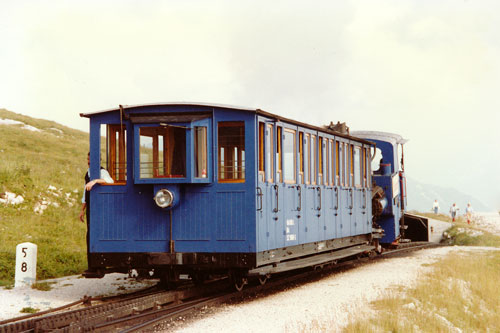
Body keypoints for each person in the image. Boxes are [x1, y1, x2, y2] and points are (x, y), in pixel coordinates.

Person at [79, 152, 113, 274]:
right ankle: (92, 265)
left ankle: (99, 265)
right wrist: (82, 210)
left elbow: (110, 181)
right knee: (90, 235)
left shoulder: (102, 172)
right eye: (87, 159)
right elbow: (85, 193)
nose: (88, 162)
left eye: (90, 159)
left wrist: (95, 181)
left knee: (96, 234)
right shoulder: (87, 173)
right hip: (91, 208)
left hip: (100, 208)